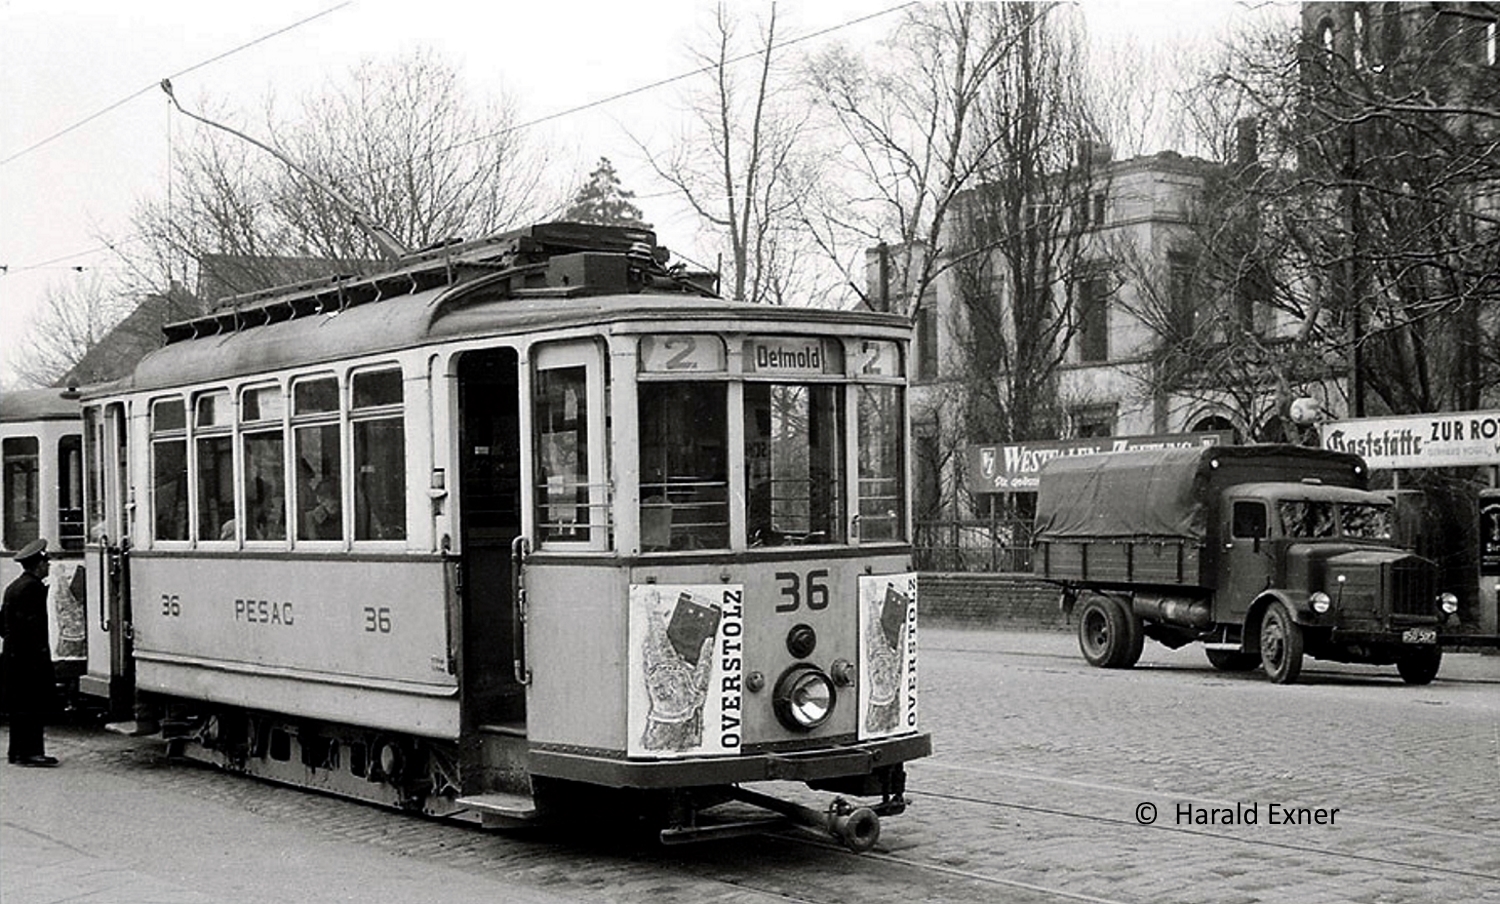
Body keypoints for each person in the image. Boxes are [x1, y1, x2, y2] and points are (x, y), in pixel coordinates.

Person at [2, 539, 60, 766]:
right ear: (38, 564)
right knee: (33, 707)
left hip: (13, 655)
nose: (48, 566)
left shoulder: (14, 586)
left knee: (19, 708)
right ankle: (32, 753)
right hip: (29, 658)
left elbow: (2, 623)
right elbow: (34, 628)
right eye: (46, 563)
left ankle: (17, 752)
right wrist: (40, 656)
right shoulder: (33, 589)